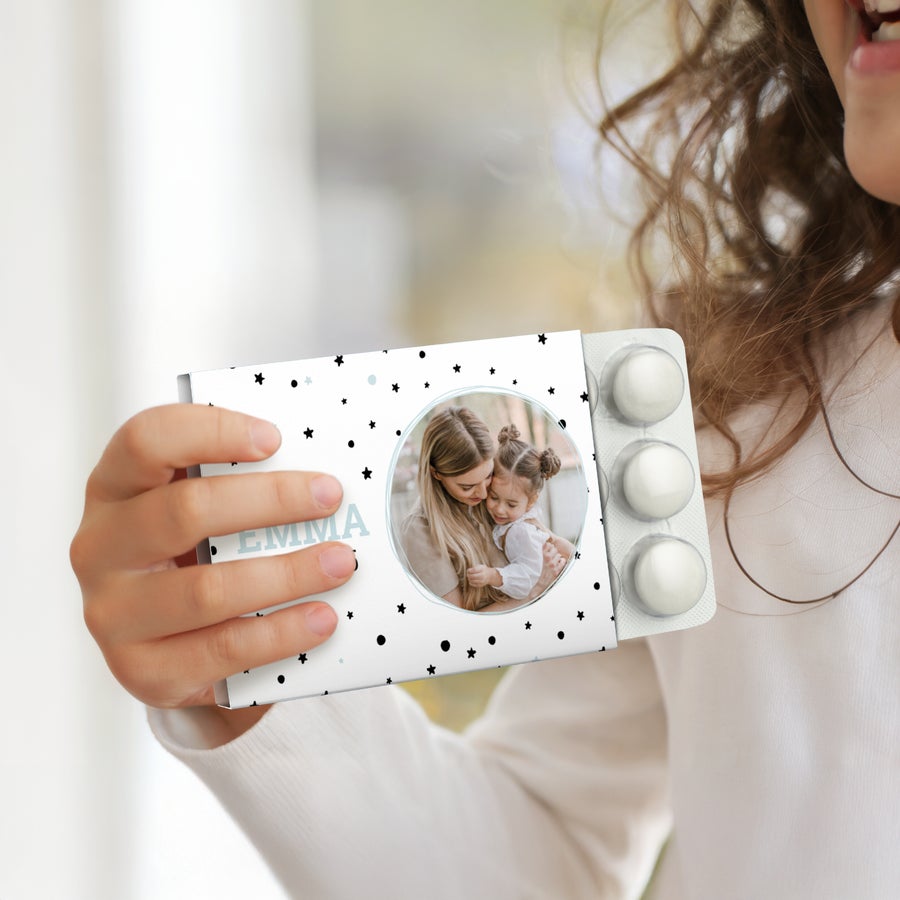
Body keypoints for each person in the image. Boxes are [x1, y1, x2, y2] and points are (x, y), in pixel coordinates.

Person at [70, 2, 899, 897]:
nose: (487, 503)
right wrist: (251, 675)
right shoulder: (730, 424)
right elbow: (547, 850)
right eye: (476, 494)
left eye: (491, 493)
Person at [466, 424, 565, 601]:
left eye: (511, 505)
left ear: (531, 502)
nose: (499, 509)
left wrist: (491, 576)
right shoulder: (521, 518)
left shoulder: (521, 532)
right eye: (494, 497)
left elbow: (526, 580)